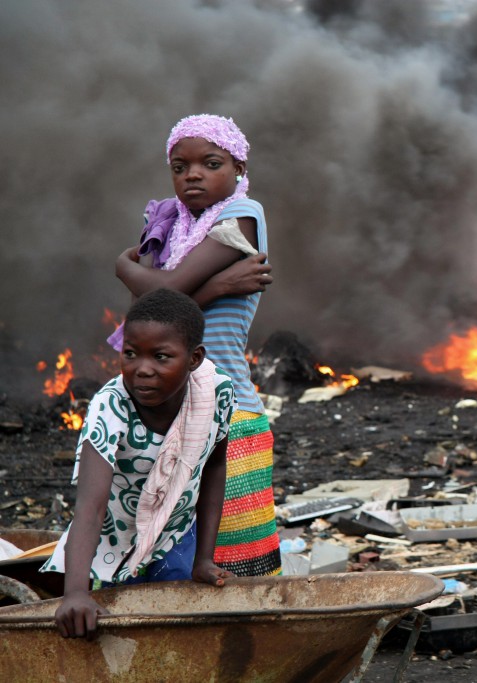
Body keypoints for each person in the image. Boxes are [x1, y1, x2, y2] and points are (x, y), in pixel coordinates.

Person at [110, 114, 281, 576]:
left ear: (239, 168)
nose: (193, 175)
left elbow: (164, 293)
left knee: (239, 561)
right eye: (180, 167)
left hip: (229, 408)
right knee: (167, 562)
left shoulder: (241, 215)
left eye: (211, 163)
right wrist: (219, 286)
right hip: (163, 412)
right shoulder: (170, 225)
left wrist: (125, 268)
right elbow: (147, 320)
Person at [43, 289, 235, 639]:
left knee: (178, 636)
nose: (142, 369)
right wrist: (75, 594)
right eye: (130, 353)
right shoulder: (110, 407)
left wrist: (204, 560)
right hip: (116, 545)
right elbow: (90, 508)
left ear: (194, 358)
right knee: (121, 639)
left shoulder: (214, 391)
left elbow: (214, 466)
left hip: (177, 534)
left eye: (161, 357)